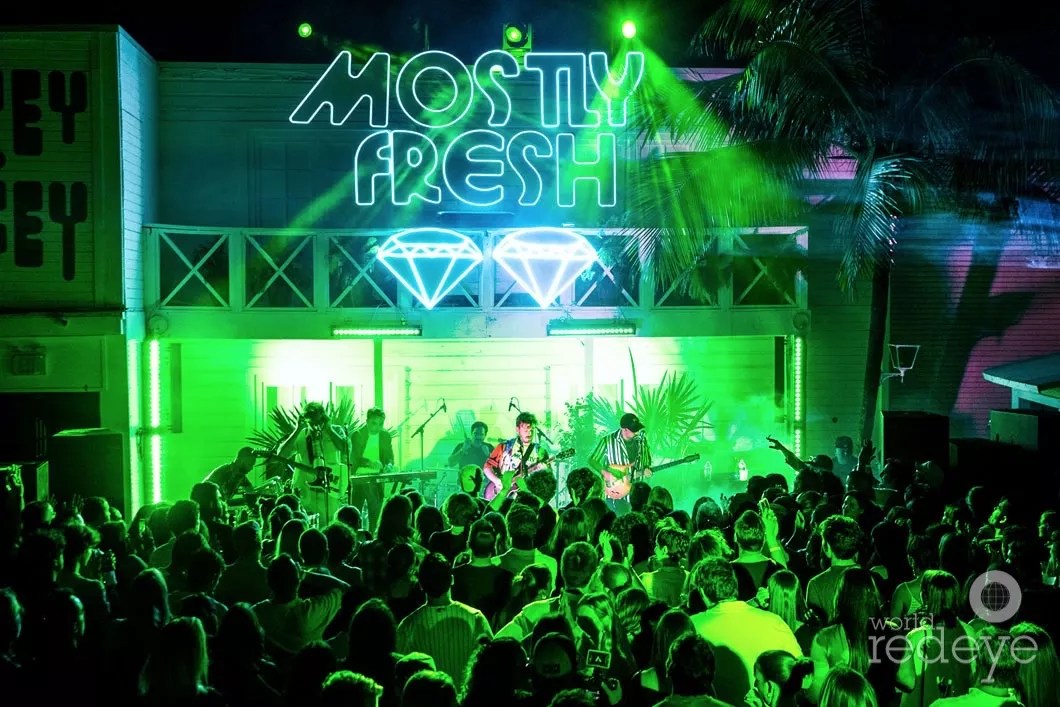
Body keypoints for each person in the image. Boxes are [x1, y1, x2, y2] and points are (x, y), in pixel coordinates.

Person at [278, 403, 349, 521]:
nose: (316, 425)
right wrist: (297, 429)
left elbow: (346, 450)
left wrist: (329, 429)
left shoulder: (335, 431)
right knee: (304, 525)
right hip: (305, 491)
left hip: (329, 491)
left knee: (329, 524)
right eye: (312, 422)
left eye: (319, 422)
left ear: (324, 418)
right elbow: (281, 455)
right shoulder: (301, 434)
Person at [588, 413, 652, 513]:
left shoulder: (642, 441)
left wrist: (646, 469)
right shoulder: (607, 441)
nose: (637, 432)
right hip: (616, 495)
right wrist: (605, 473)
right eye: (634, 430)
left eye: (637, 429)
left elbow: (646, 462)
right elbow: (592, 460)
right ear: (624, 429)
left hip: (638, 496)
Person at [483, 412, 552, 501]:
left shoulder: (540, 452)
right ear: (517, 430)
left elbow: (548, 479)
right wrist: (497, 481)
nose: (529, 433)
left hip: (526, 496)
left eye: (532, 430)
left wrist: (544, 471)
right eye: (526, 430)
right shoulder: (504, 447)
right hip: (501, 493)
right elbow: (487, 467)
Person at [347, 408, 395, 532]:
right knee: (355, 514)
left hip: (377, 479)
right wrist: (370, 463)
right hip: (359, 478)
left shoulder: (385, 436)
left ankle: (374, 537)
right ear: (367, 421)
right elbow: (355, 458)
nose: (377, 427)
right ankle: (355, 537)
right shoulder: (358, 434)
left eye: (380, 424)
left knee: (376, 514)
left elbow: (390, 456)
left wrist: (389, 465)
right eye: (374, 423)